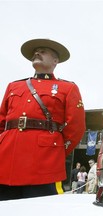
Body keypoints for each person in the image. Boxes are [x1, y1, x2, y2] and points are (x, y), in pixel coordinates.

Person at [0, 38, 86, 200]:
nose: (36, 53)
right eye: (35, 51)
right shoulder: (14, 86)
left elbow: (75, 128)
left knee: (42, 207)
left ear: (55, 60)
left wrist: (55, 150)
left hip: (44, 162)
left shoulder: (67, 88)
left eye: (43, 51)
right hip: (6, 161)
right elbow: (1, 122)